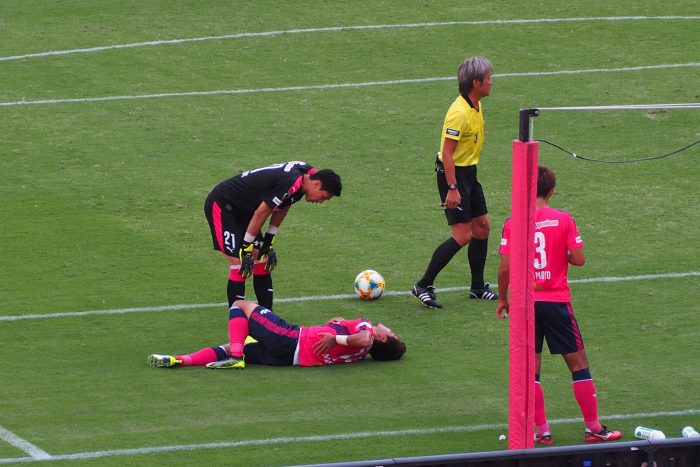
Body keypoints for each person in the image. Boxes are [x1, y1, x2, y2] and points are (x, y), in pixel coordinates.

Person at [495, 166, 622, 444]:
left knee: (531, 369)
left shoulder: (513, 223)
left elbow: (505, 269)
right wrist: (560, 254)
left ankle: (543, 431)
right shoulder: (563, 219)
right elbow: (579, 259)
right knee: (578, 364)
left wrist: (503, 298)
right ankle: (593, 428)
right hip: (556, 303)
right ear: (551, 192)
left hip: (526, 305)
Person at [412, 56, 498, 309]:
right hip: (454, 175)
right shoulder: (458, 113)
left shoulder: (476, 105)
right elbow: (447, 153)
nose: (492, 82)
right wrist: (452, 188)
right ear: (476, 83)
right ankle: (423, 285)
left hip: (469, 172)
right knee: (462, 235)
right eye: (488, 78)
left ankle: (477, 288)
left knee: (482, 227)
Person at [204, 161, 341, 310]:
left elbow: (283, 205)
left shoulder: (306, 177)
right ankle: (236, 319)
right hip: (223, 206)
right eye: (324, 197)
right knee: (239, 264)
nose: (321, 201)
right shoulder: (290, 181)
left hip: (246, 212)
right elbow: (261, 212)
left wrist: (268, 241)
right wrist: (246, 247)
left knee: (263, 260)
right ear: (317, 184)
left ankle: (267, 317)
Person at [147, 299, 406, 369]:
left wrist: (334, 337)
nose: (388, 327)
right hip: (289, 360)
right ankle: (179, 360)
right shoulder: (361, 354)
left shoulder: (366, 332)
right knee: (229, 346)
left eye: (391, 332)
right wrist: (335, 327)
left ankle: (236, 357)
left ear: (382, 338)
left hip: (290, 339)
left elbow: (362, 337)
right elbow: (353, 339)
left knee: (240, 306)